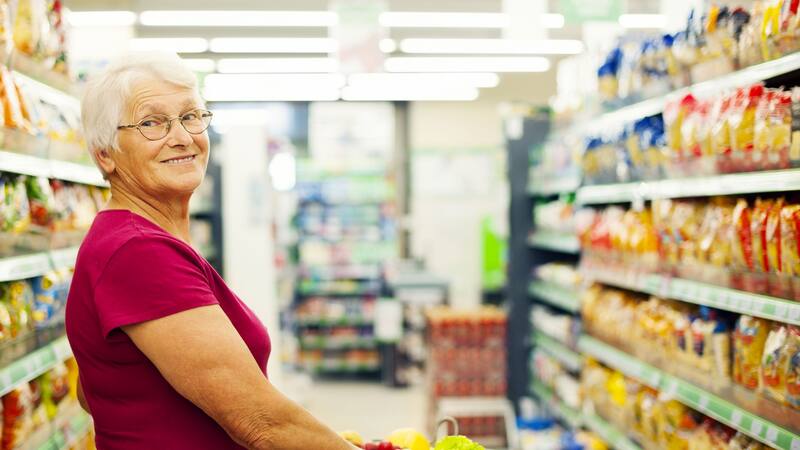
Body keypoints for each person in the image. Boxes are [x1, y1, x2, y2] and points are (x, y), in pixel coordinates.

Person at [65, 52, 357, 450]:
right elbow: (261, 423)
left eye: (191, 116)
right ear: (105, 154)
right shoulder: (139, 251)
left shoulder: (136, 239)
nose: (182, 136)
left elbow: (94, 387)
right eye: (152, 123)